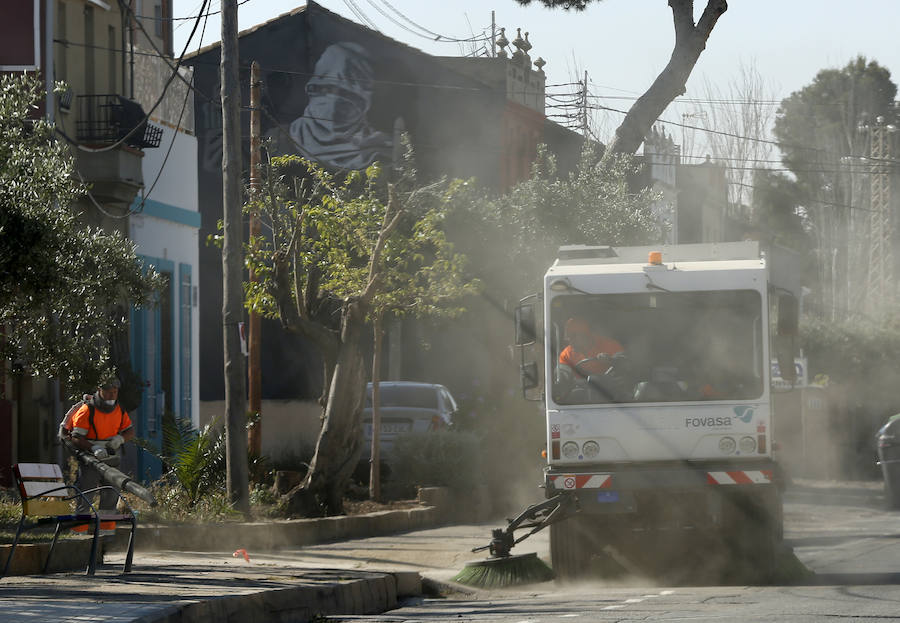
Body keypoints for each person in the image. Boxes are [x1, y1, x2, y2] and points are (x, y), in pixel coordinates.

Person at [64, 376, 135, 513]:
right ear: (99, 390)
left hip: (111, 457)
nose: (112, 395)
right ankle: (80, 530)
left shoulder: (118, 410)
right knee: (86, 493)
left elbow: (130, 431)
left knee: (111, 494)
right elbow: (76, 438)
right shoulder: (87, 410)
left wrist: (120, 439)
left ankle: (106, 531)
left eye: (115, 392)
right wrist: (93, 447)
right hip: (90, 458)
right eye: (108, 391)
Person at [557, 317, 624, 380]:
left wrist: (610, 360)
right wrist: (562, 375)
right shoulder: (566, 355)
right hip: (580, 390)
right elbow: (562, 372)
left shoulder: (610, 346)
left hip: (609, 389)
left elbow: (624, 362)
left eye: (573, 337)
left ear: (586, 335)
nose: (571, 342)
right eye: (568, 339)